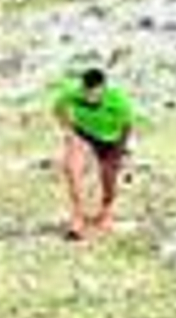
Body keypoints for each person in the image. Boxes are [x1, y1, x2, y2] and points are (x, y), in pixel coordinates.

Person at [53, 65, 134, 240]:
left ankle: (105, 215)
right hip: (84, 134)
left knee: (108, 177)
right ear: (83, 88)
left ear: (103, 88)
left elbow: (127, 126)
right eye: (88, 93)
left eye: (96, 94)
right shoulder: (72, 94)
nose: (92, 98)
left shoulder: (118, 101)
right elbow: (58, 107)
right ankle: (78, 218)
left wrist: (121, 151)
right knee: (71, 169)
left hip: (111, 140)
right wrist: (68, 130)